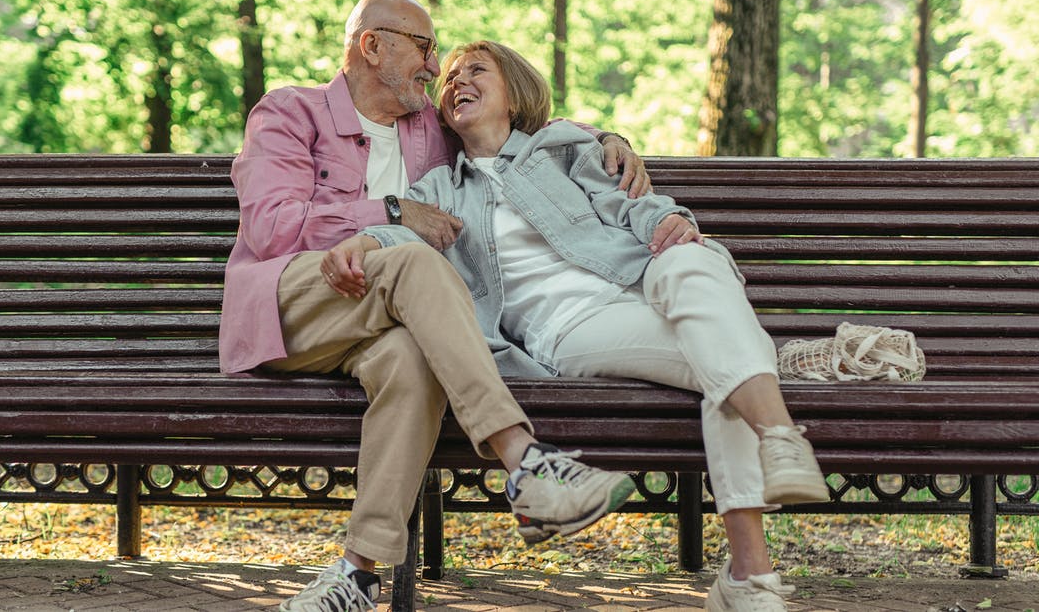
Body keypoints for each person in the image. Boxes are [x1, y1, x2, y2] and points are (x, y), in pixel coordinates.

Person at [323, 40, 831, 612]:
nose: (457, 82)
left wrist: (670, 218)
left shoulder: (565, 152)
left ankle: (770, 479)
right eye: (449, 80)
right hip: (570, 329)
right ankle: (756, 555)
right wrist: (365, 240)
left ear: (513, 94)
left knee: (697, 257)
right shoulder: (441, 189)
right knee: (726, 355)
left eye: (476, 71)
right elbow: (402, 235)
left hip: (643, 282)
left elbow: (632, 207)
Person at [220, 0, 648, 611]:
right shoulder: (291, 112)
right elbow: (272, 227)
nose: (434, 65)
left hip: (380, 315)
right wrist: (391, 211)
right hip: (294, 307)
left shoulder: (428, 128)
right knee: (412, 257)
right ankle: (526, 464)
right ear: (373, 45)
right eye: (424, 48)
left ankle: (355, 575)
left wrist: (608, 137)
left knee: (416, 364)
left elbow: (517, 127)